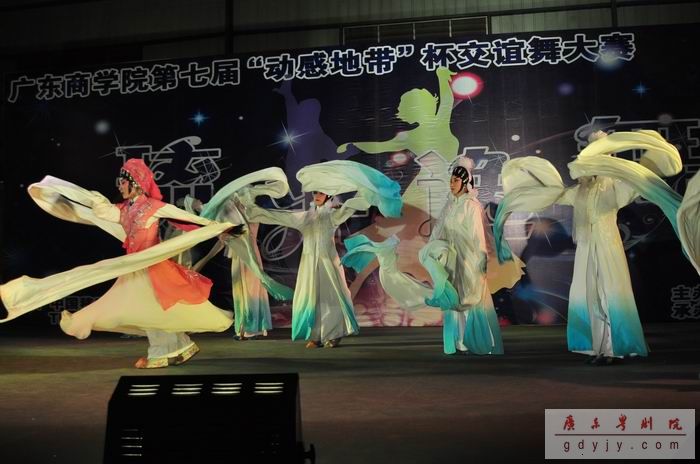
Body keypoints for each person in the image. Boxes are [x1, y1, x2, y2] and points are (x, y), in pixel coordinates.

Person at [0, 159, 236, 368]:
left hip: (153, 268)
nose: (120, 186)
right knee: (151, 310)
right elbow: (100, 212)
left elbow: (189, 219)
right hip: (133, 269)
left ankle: (162, 352)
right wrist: (60, 193)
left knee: (151, 310)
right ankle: (179, 345)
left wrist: (222, 228)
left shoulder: (154, 207)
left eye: (123, 182)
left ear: (136, 183)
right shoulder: (124, 210)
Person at [494, 130, 683, 365]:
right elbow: (555, 195)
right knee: (588, 296)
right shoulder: (580, 190)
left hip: (607, 248)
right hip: (585, 249)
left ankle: (615, 348)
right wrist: (521, 190)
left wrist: (644, 165)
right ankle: (596, 346)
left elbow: (640, 180)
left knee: (610, 294)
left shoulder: (617, 187)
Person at [238, 160, 402, 348]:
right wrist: (252, 208)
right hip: (309, 264)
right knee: (311, 297)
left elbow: (352, 205)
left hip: (328, 262)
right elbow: (277, 216)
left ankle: (333, 334)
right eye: (315, 192)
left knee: (331, 297)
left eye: (321, 193)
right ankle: (316, 335)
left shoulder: (333, 215)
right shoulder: (304, 217)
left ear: (328, 195)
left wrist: (366, 189)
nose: (317, 196)